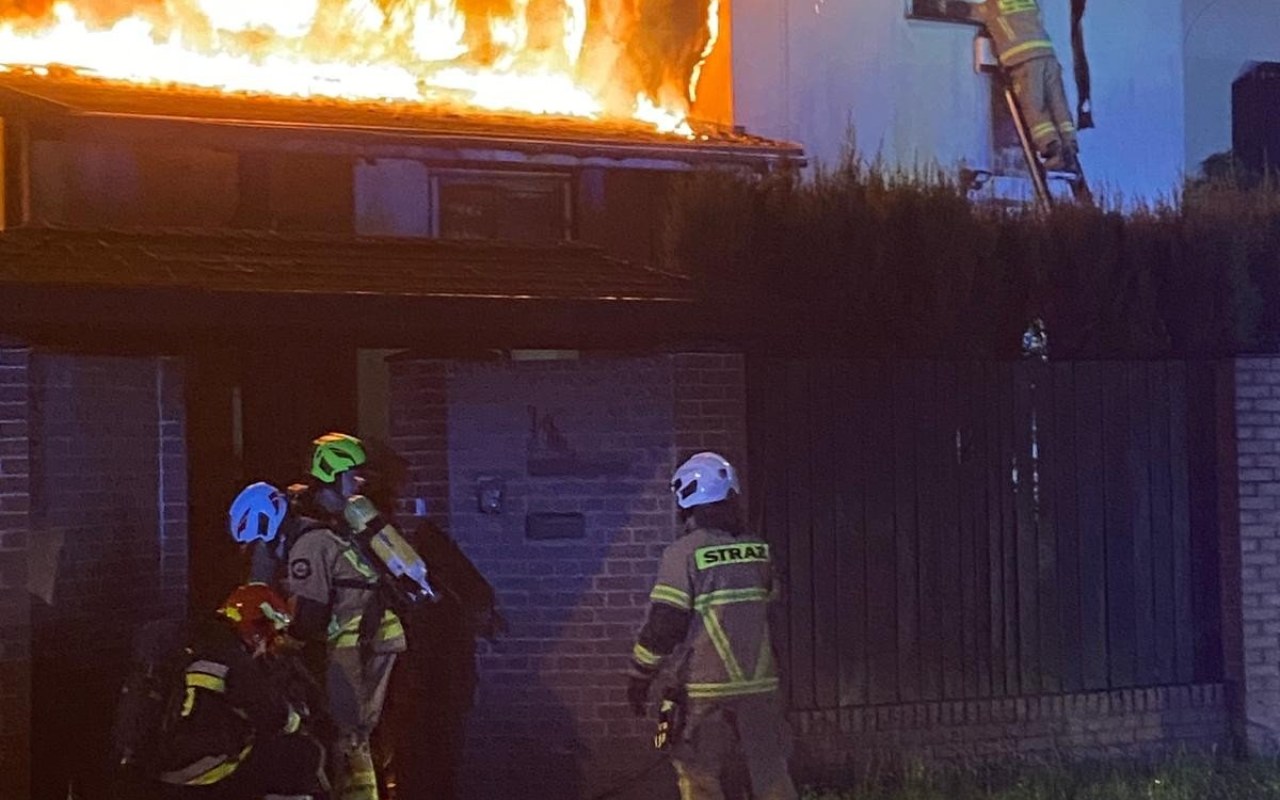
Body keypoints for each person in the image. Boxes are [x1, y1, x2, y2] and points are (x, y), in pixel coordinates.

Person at [627, 452, 797, 800]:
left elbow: (665, 624)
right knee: (772, 774)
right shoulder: (759, 550)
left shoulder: (684, 553)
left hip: (706, 690)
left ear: (686, 499)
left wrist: (640, 676)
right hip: (761, 686)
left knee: (698, 776)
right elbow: (772, 610)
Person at [356, 444, 505, 800]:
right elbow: (478, 596)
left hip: (420, 679)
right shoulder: (423, 541)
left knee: (418, 764)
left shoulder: (395, 544)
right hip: (436, 680)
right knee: (432, 765)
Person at [286, 432, 407, 800]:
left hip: (350, 648)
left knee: (350, 734)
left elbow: (309, 614)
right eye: (352, 475)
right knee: (364, 733)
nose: (359, 482)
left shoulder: (315, 541)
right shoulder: (347, 532)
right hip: (377, 640)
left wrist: (285, 643)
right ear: (333, 476)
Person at [154, 583, 327, 800]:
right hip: (206, 773)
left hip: (171, 770)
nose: (267, 643)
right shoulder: (233, 659)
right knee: (302, 754)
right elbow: (274, 716)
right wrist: (296, 718)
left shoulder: (199, 643)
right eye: (269, 635)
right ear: (257, 629)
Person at [945, 0, 1079, 172]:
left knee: (1035, 108)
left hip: (1023, 62)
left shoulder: (990, 7)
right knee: (1058, 104)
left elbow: (964, 9)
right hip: (1048, 56)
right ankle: (1070, 145)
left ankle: (1052, 150)